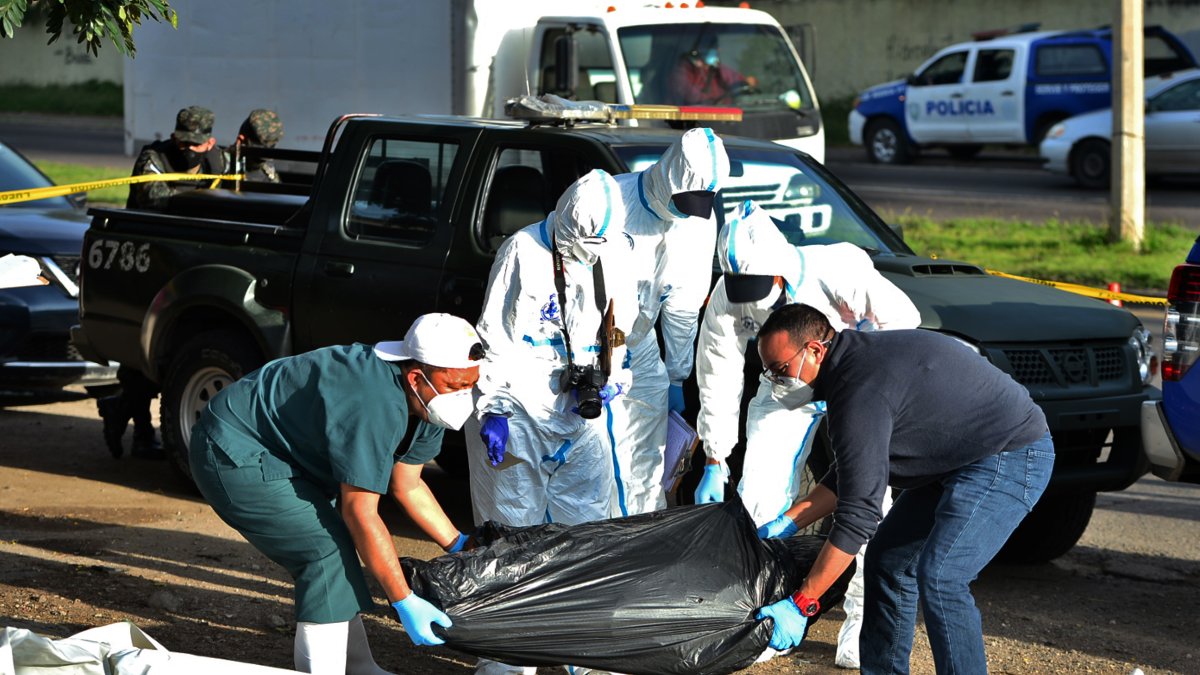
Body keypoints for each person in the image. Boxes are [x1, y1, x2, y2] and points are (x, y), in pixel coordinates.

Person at [752, 303, 1054, 674]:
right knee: (888, 563)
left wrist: (802, 603)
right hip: (955, 457)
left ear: (815, 349)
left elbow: (858, 517)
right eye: (771, 373)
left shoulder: (857, 388)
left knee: (943, 577)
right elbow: (853, 473)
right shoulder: (853, 369)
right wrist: (787, 522)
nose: (779, 381)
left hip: (1009, 451)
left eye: (782, 370)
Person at [188, 313, 483, 674]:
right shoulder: (374, 399)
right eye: (455, 385)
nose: (463, 397)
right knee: (323, 552)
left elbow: (408, 485)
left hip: (290, 454)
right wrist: (403, 600)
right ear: (416, 376)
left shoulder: (427, 405)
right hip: (233, 447)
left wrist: (457, 543)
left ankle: (359, 667)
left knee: (339, 545)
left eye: (471, 385)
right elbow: (360, 511)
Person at [693, 200, 921, 667]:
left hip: (855, 381)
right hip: (785, 385)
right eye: (740, 288)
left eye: (758, 287)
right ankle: (763, 615)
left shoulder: (837, 268)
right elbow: (717, 368)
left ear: (780, 272)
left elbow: (905, 322)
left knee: (868, 502)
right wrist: (715, 457)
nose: (749, 298)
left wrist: (867, 378)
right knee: (756, 497)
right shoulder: (728, 295)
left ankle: (864, 624)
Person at [467, 169, 636, 675]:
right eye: (581, 243)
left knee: (584, 533)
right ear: (564, 221)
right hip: (517, 407)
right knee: (510, 538)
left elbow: (618, 324)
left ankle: (577, 653)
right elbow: (493, 336)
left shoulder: (615, 250)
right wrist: (492, 408)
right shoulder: (522, 252)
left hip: (579, 415)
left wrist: (616, 373)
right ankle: (504, 660)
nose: (587, 253)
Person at [610, 126, 730, 515]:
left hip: (641, 346)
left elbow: (683, 302)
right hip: (590, 348)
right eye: (685, 200)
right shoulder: (613, 201)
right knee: (591, 460)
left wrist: (677, 375)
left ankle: (639, 542)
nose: (690, 210)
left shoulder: (698, 219)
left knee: (647, 460)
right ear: (670, 174)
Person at [126, 105, 227, 210]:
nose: (190, 149)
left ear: (210, 144)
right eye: (184, 143)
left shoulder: (220, 162)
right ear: (174, 138)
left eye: (196, 144)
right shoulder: (153, 158)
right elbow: (154, 199)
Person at [668, 40, 756, 106]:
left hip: (724, 119)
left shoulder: (717, 70)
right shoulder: (682, 72)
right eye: (712, 48)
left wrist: (746, 83)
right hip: (690, 122)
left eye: (716, 48)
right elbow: (695, 98)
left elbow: (737, 80)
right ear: (698, 50)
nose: (718, 50)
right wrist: (720, 101)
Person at [227, 108, 285, 183]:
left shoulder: (268, 171)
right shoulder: (220, 166)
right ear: (241, 140)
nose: (265, 157)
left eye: (272, 145)